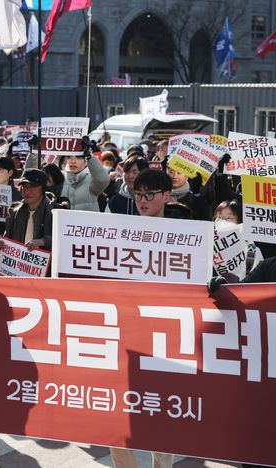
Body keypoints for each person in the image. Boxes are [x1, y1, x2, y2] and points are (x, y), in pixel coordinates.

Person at [109, 168, 174, 468]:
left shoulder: (183, 234)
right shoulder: (119, 230)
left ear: (166, 196)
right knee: (115, 413)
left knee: (160, 411)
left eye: (149, 195)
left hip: (164, 333)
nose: (142, 201)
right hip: (123, 330)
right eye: (138, 195)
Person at [0, 169, 53, 254]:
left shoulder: (54, 212)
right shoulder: (14, 213)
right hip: (18, 265)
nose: (27, 191)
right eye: (24, 186)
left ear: (43, 189)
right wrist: (0, 246)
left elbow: (64, 241)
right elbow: (7, 242)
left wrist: (43, 241)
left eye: (32, 186)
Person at [60, 138, 111, 211]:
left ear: (86, 161)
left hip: (87, 222)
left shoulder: (91, 179)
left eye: (78, 158)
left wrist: (90, 157)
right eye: (70, 157)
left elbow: (103, 180)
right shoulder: (61, 177)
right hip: (63, 222)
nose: (73, 161)